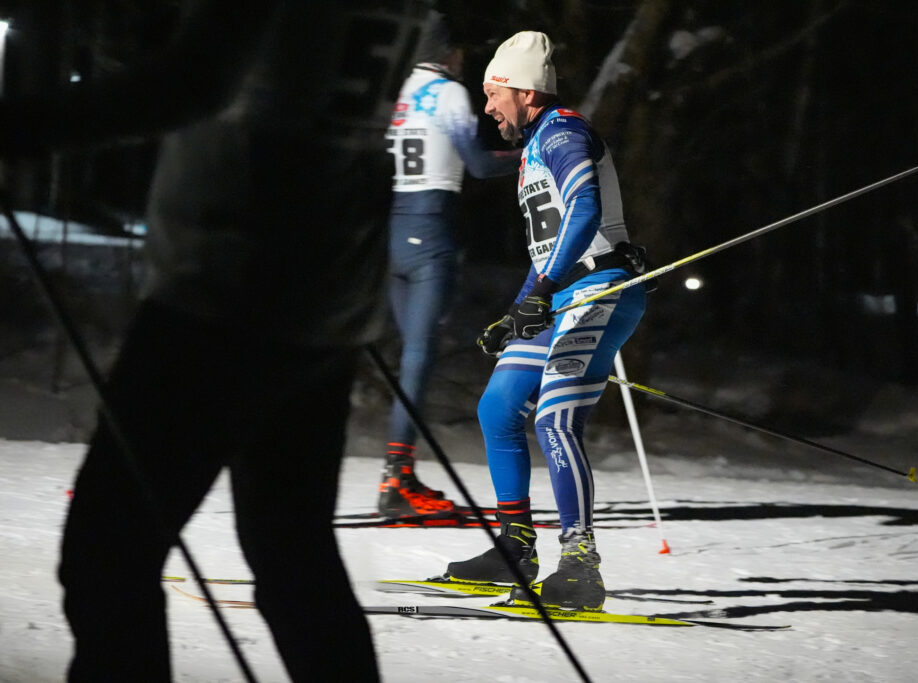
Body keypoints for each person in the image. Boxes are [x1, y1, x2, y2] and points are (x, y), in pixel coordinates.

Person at [0, 1, 431, 680]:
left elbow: (193, 84)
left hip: (229, 278)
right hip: (326, 283)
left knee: (109, 548)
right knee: (292, 553)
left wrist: (28, 125)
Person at [443, 31, 649, 611]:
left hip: (601, 288)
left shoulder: (561, 130)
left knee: (556, 417)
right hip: (561, 293)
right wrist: (517, 312)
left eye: (492, 94)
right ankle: (515, 546)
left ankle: (580, 562)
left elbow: (583, 208)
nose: (487, 107)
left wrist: (545, 291)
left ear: (522, 90)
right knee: (499, 406)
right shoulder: (535, 144)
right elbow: (547, 250)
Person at [378, 12, 520, 518]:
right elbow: (479, 164)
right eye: (460, 51)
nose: (465, 60)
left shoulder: (397, 91)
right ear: (446, 53)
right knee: (418, 359)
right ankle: (395, 482)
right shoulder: (447, 92)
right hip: (430, 232)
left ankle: (400, 475)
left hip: (391, 231)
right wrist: (528, 157)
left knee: (407, 361)